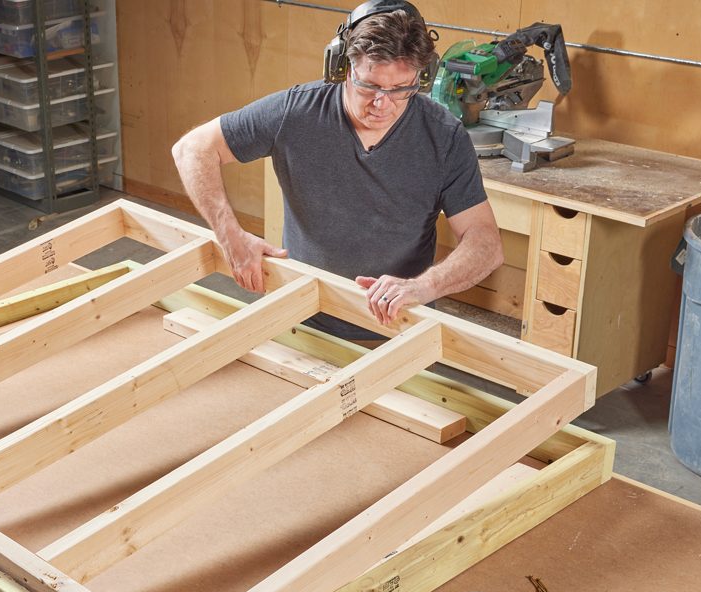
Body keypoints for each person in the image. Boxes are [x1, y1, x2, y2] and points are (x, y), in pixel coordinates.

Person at [172, 0, 504, 342]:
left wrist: (423, 286)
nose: (382, 104)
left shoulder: (443, 135)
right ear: (343, 68)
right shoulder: (296, 113)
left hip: (400, 326)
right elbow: (192, 149)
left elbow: (485, 242)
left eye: (401, 89)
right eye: (370, 86)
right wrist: (232, 238)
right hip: (301, 315)